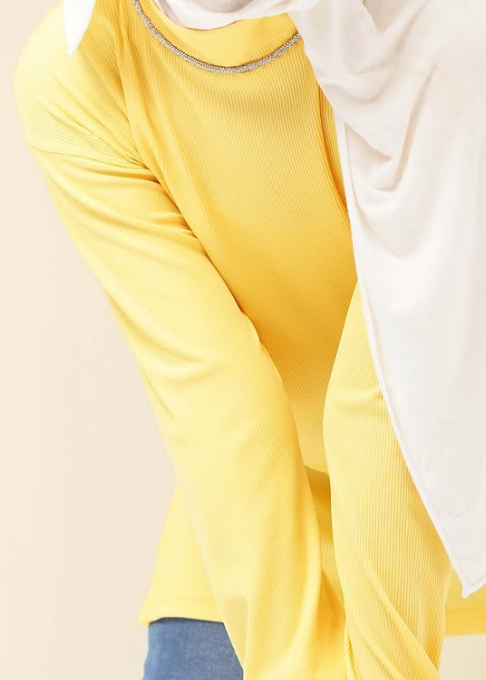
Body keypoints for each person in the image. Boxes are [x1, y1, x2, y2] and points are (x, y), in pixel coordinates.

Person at [14, 0, 486, 678]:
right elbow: (213, 391)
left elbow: (388, 385)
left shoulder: (440, 31)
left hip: (454, 462)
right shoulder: (78, 71)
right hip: (271, 498)